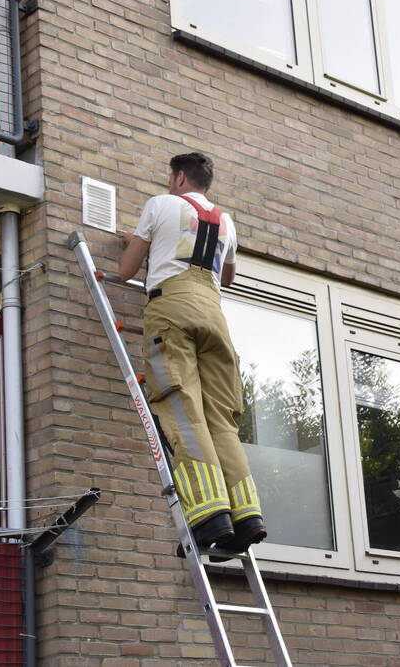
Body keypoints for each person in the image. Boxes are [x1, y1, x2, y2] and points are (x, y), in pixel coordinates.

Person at [118, 152, 265, 555]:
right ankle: (247, 516)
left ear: (180, 178)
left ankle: (209, 515)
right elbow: (227, 276)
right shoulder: (226, 220)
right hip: (214, 317)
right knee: (220, 418)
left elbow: (124, 272)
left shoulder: (160, 205)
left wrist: (136, 245)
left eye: (170, 178)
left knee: (182, 406)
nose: (169, 184)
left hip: (172, 310)